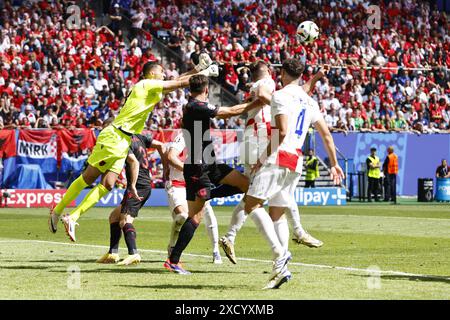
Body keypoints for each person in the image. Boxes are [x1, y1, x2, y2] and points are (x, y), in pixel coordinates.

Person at [48, 54, 218, 242]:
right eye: (162, 72)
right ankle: (58, 211)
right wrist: (204, 73)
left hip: (123, 140)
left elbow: (176, 81)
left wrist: (197, 70)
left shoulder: (151, 88)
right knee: (88, 177)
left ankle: (72, 217)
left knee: (108, 184)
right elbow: (177, 84)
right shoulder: (145, 85)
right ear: (152, 74)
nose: (164, 75)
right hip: (114, 136)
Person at [243, 59, 344, 289]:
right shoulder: (310, 101)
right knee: (277, 213)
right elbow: (326, 135)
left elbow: (282, 132)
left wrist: (261, 159)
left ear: (282, 73)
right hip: (296, 161)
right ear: (301, 76)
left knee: (251, 205)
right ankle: (282, 266)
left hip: (279, 156)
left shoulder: (279, 96)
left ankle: (279, 256)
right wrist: (335, 163)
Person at [219, 61, 324, 265]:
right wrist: (276, 101)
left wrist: (316, 77)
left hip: (255, 139)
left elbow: (299, 90)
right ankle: (297, 233)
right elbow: (266, 96)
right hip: (259, 140)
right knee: (269, 194)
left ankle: (234, 237)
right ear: (266, 71)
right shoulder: (265, 83)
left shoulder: (264, 85)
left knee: (265, 195)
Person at [163, 74, 264, 275]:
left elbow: (230, 110)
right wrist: (258, 102)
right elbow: (228, 112)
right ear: (207, 90)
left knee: (246, 184)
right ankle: (173, 260)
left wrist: (247, 103)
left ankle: (211, 193)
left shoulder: (193, 107)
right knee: (196, 217)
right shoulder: (195, 106)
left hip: (210, 164)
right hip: (198, 167)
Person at [96, 134, 165, 265]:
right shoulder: (140, 137)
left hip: (137, 186)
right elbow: (161, 145)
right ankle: (113, 253)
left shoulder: (123, 141)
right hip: (144, 183)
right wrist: (165, 166)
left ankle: (133, 254)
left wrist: (132, 185)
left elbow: (134, 162)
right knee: (114, 217)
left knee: (125, 221)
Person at [165, 132, 223, 264]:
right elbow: (170, 156)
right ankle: (172, 246)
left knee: (208, 213)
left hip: (195, 183)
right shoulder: (183, 136)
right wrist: (187, 171)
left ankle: (215, 251)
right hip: (178, 184)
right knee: (182, 217)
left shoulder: (203, 140)